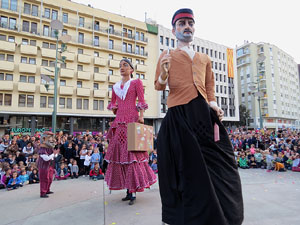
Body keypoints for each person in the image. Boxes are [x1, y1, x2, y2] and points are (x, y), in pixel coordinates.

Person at [154, 8, 243, 225]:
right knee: (187, 166)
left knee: (222, 162)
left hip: (203, 114)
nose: (187, 27)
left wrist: (213, 105)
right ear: (174, 30)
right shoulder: (167, 55)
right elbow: (158, 85)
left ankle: (224, 212)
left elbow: (210, 85)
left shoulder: (204, 57)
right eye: (182, 23)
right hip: (179, 115)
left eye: (190, 23)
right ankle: (187, 214)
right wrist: (164, 71)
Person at [104, 58, 157, 205]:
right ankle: (128, 190)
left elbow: (141, 100)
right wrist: (114, 109)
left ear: (131, 70)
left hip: (132, 120)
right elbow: (114, 104)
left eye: (125, 65)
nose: (122, 67)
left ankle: (132, 191)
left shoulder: (136, 82)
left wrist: (141, 116)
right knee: (121, 157)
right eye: (120, 66)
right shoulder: (115, 86)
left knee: (132, 156)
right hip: (119, 122)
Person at [37, 131, 57, 198]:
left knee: (50, 178)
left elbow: (54, 156)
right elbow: (46, 158)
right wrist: (53, 154)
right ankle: (43, 192)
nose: (53, 140)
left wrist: (55, 154)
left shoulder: (50, 148)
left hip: (50, 165)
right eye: (50, 138)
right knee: (44, 179)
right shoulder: (42, 149)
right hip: (44, 166)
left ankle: (47, 190)